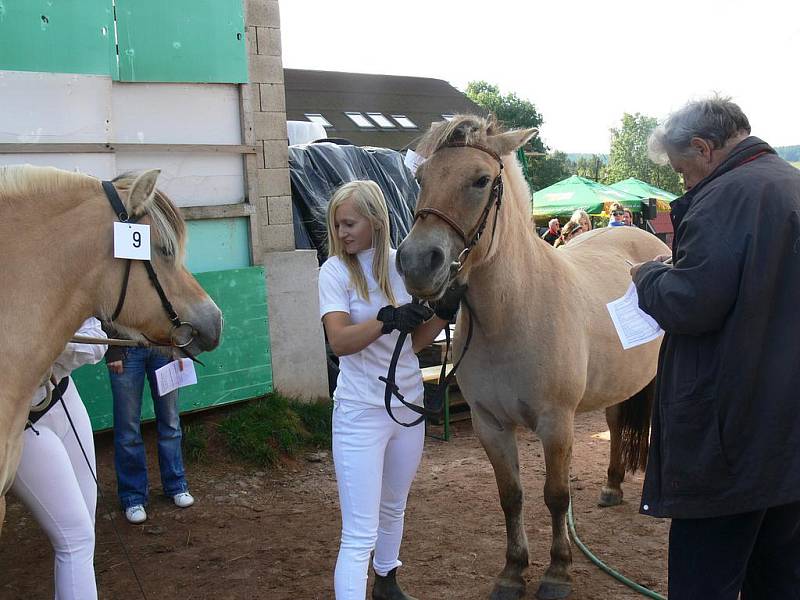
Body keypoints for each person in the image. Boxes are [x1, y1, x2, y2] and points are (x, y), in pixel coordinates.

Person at [631, 96, 800, 599]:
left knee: (706, 579)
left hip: (730, 436)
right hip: (787, 434)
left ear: (704, 148)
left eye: (683, 173)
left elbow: (692, 304)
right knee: (780, 576)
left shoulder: (727, 196)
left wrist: (650, 277)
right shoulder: (791, 183)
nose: (685, 184)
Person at [318, 180, 458, 600]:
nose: (342, 233)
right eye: (337, 225)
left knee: (394, 507)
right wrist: (386, 318)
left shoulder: (403, 267)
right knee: (359, 531)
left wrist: (442, 313)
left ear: (376, 222)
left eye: (349, 224)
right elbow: (339, 342)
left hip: (407, 406)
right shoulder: (335, 271)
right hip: (360, 412)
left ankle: (387, 582)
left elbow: (411, 347)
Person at [11, 318, 107, 599]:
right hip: (21, 422)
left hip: (65, 398)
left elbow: (96, 339)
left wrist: (50, 348)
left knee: (84, 532)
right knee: (75, 539)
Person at [105, 334, 194, 524]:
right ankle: (133, 497)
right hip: (126, 349)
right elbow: (105, 309)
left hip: (163, 348)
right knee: (127, 428)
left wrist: (178, 347)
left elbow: (177, 307)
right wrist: (112, 349)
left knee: (170, 421)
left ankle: (176, 485)